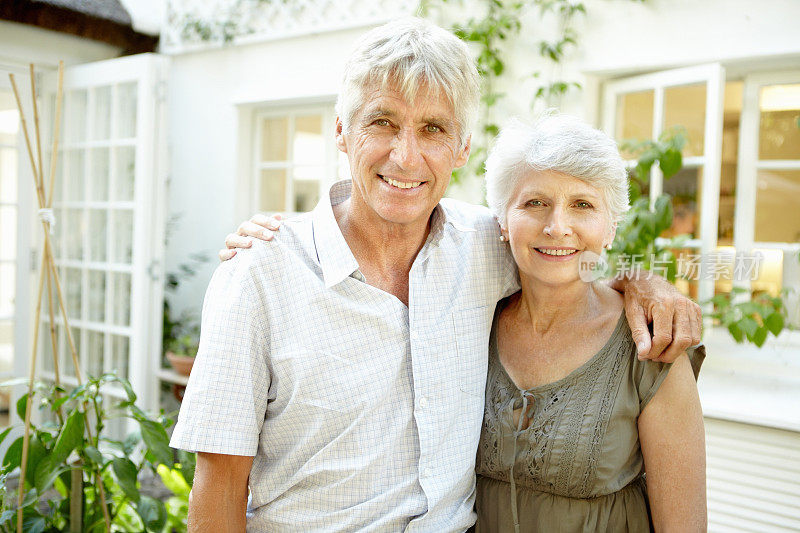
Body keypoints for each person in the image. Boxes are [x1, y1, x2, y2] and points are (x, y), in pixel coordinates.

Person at [173, 17, 702, 532]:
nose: (406, 157)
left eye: (433, 129)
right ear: (341, 130)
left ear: (462, 148)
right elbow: (216, 494)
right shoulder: (259, 275)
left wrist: (641, 282)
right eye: (382, 122)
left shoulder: (484, 245)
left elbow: (563, 258)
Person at [473, 115, 706, 532]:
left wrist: (641, 279)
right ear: (502, 221)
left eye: (582, 205)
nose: (557, 226)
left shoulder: (651, 344)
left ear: (611, 227)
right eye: (534, 202)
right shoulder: (472, 322)